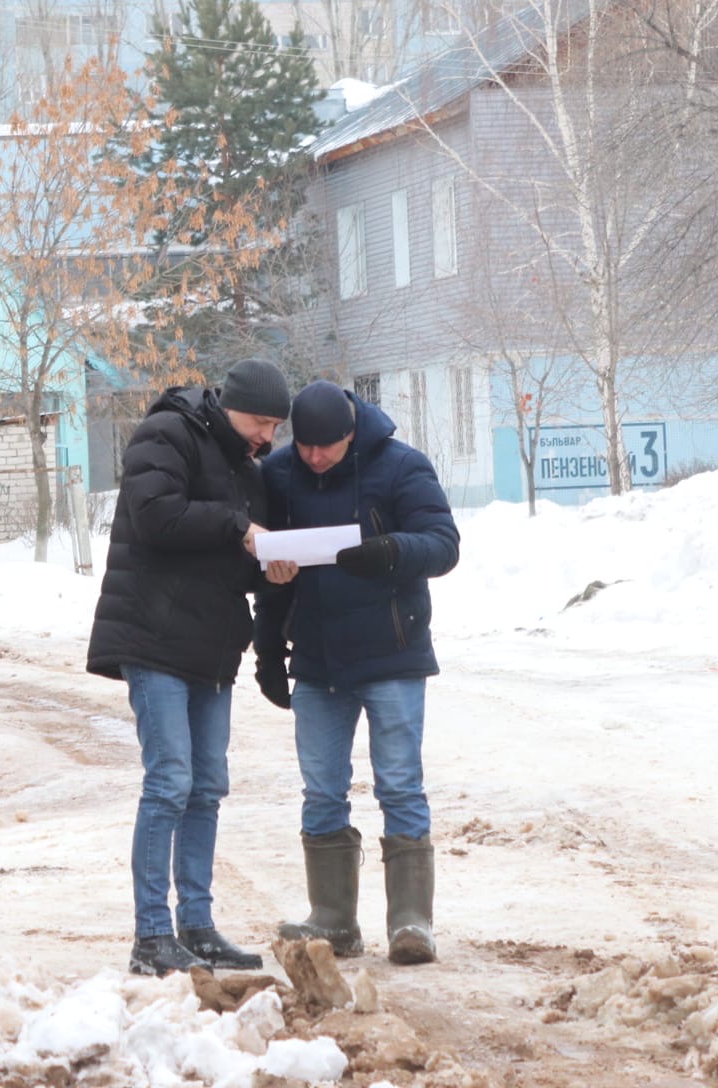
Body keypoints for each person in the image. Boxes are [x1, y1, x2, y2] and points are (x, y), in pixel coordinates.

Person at [88, 358, 292, 976]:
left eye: (275, 427)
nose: (268, 438)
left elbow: (234, 557)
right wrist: (240, 528)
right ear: (232, 407)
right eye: (262, 422)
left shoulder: (246, 469)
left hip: (210, 649)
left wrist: (271, 564)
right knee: (170, 782)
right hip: (154, 639)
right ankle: (151, 935)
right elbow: (157, 517)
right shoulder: (167, 433)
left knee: (207, 788)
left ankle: (197, 927)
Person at [252, 380, 459, 965]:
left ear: (352, 431)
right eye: (306, 446)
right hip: (317, 660)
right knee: (321, 789)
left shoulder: (400, 466)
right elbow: (268, 568)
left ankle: (411, 922)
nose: (315, 457)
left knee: (399, 782)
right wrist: (269, 651)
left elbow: (443, 544)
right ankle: (334, 920)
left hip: (392, 653)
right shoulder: (280, 474)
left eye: (329, 446)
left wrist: (390, 551)